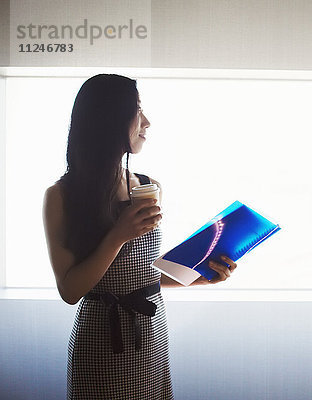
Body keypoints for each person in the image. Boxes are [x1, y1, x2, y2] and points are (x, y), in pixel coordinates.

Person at [43, 74, 237, 400]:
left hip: (152, 331)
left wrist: (199, 277)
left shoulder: (148, 186)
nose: (146, 122)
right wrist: (117, 235)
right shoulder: (61, 196)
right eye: (137, 111)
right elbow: (70, 290)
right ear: (110, 119)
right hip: (101, 337)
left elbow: (139, 275)